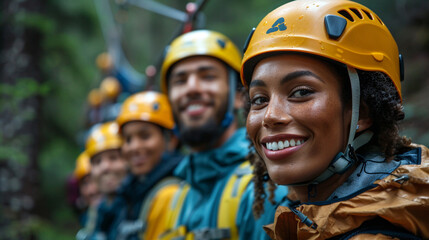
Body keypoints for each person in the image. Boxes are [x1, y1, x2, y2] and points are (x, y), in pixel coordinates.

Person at [241, 0, 429, 239]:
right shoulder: (306, 215)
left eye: (301, 92)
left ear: (363, 112)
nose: (270, 116)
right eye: (259, 99)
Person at [158, 29, 287, 240]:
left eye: (207, 76)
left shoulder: (265, 190)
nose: (191, 88)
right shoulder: (175, 200)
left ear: (239, 96)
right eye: (180, 81)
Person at [107, 91, 182, 240]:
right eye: (128, 140)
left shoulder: (172, 194)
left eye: (145, 136)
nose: (134, 147)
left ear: (171, 140)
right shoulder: (129, 193)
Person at [76, 121, 128, 240]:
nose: (105, 167)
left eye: (113, 157)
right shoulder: (99, 214)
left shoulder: (137, 205)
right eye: (97, 161)